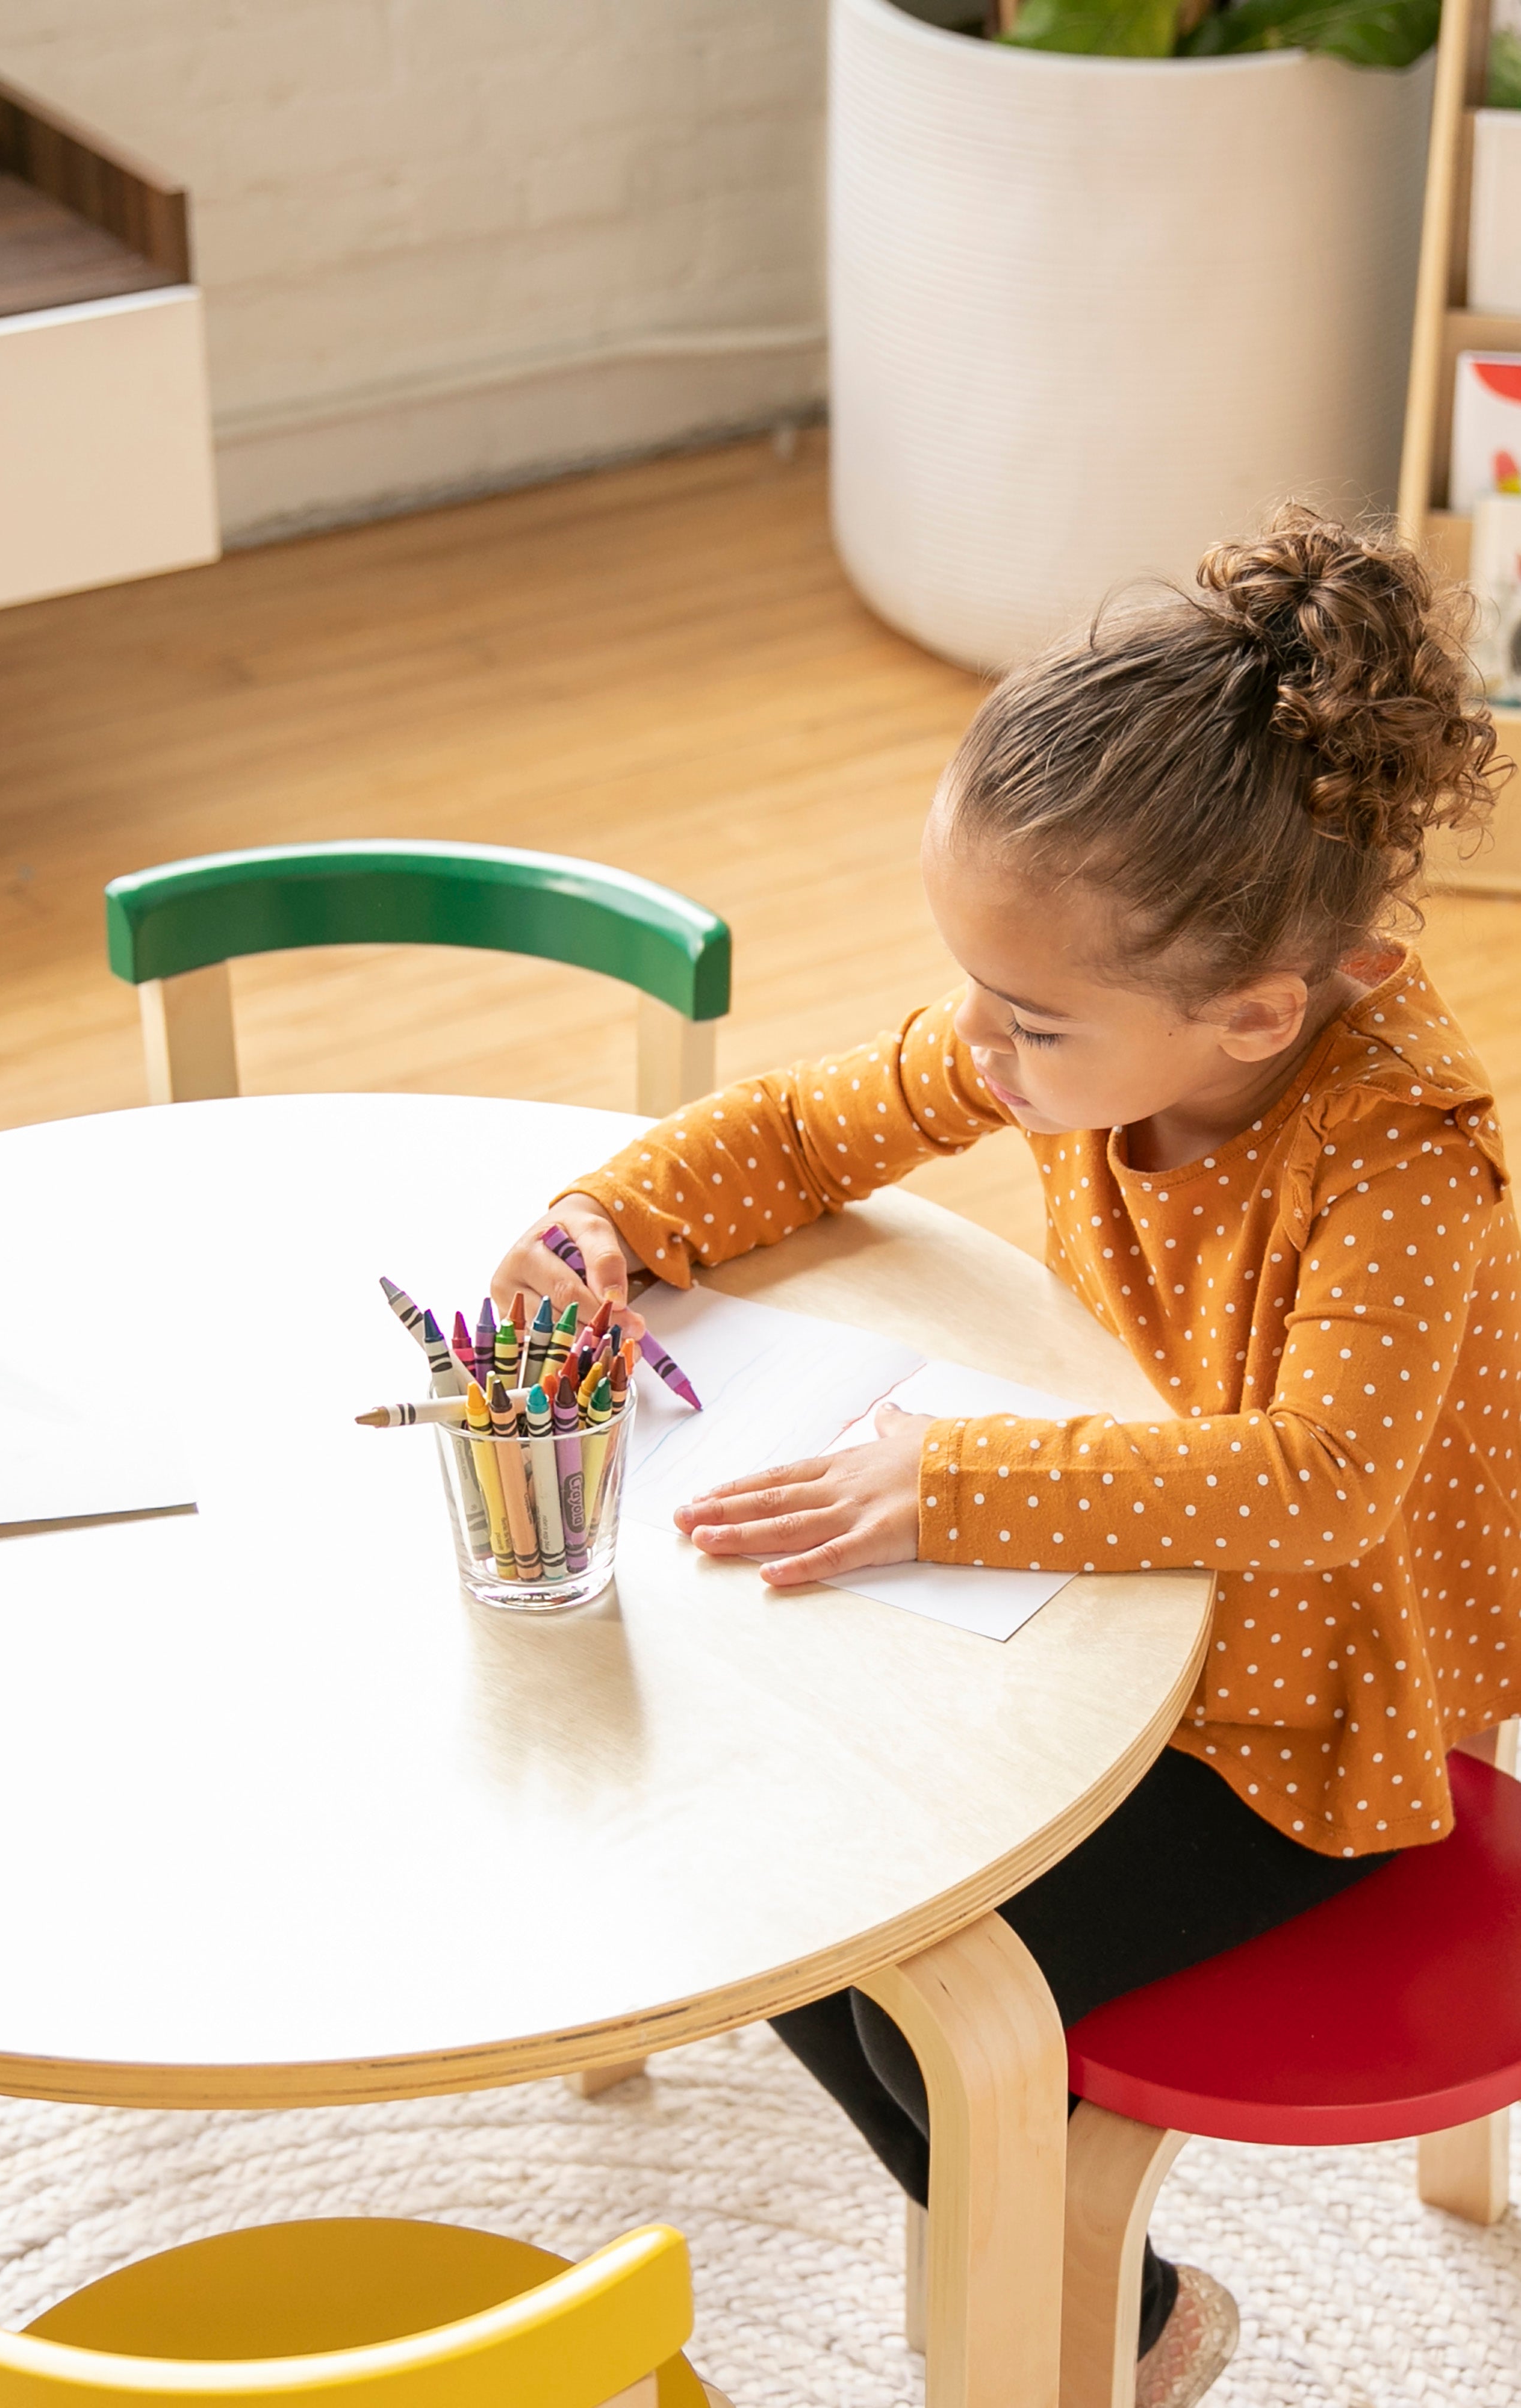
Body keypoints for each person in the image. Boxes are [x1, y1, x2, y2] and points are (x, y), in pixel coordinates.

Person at [494, 507, 1519, 2408]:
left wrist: (945, 1479)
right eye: (974, 987)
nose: (976, 1045)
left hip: (1327, 1720)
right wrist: (611, 1224)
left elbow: (1318, 1484)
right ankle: (1044, 2276)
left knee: (912, 1999)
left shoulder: (1399, 1163)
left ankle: (1121, 2334)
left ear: (1258, 1013)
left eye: (1023, 1020)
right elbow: (825, 1121)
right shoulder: (1094, 1028)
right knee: (781, 1875)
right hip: (1155, 1614)